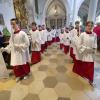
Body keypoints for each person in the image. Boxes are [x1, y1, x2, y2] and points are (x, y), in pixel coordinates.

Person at [79, 21, 97, 85]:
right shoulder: (82, 34)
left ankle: (90, 79)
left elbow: (95, 43)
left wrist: (94, 49)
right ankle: (84, 75)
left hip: (91, 53)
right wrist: (85, 49)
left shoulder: (94, 35)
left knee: (91, 66)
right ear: (86, 26)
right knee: (84, 65)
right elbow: (79, 44)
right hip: (84, 52)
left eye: (91, 26)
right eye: (88, 25)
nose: (90, 27)